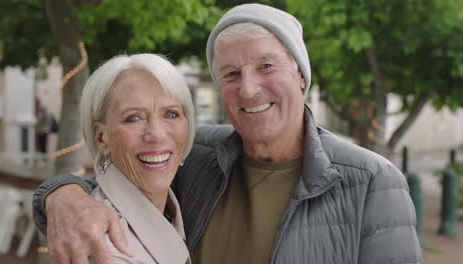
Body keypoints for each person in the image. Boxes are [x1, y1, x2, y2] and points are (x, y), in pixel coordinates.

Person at [32, 4, 421, 264]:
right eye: (231, 75)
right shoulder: (197, 154)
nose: (249, 89)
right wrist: (61, 195)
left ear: (301, 75)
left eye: (266, 66)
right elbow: (118, 182)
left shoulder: (371, 181)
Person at [55, 53, 194, 263]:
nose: (156, 134)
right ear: (101, 137)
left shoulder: (171, 208)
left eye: (171, 114)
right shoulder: (108, 250)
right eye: (134, 118)